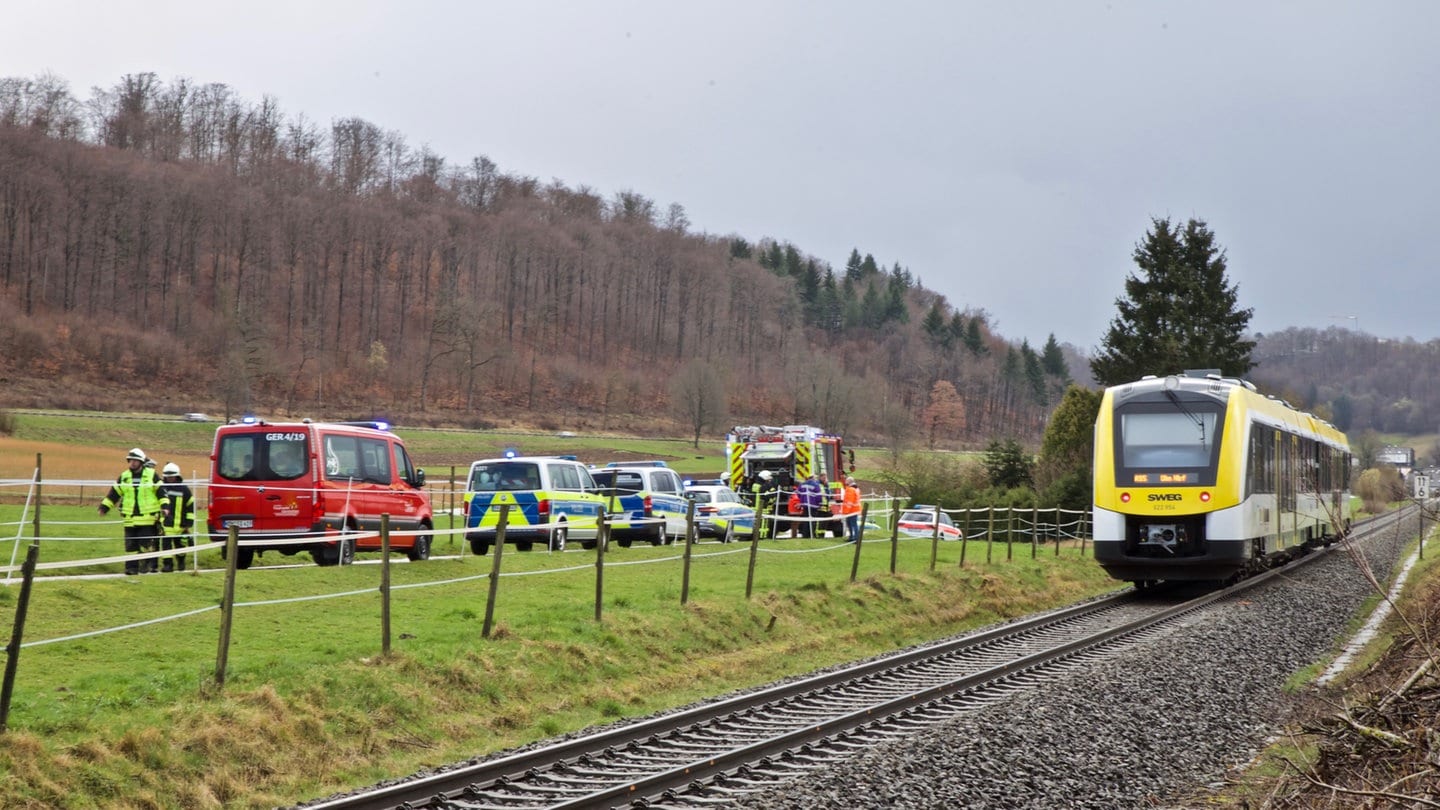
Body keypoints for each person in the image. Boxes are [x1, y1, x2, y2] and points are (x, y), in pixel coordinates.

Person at [98, 447, 164, 575]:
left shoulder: (151, 475)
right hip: (129, 519)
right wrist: (104, 507)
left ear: (141, 462)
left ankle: (145, 566)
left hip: (147, 518)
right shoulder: (124, 477)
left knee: (145, 544)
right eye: (130, 460)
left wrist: (165, 507)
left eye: (135, 460)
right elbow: (114, 493)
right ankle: (131, 568)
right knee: (131, 546)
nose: (132, 463)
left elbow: (161, 492)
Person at [157, 462, 196, 572]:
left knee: (181, 546)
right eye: (167, 476)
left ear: (177, 475)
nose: (169, 478)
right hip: (166, 524)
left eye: (172, 476)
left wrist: (188, 523)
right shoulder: (161, 488)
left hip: (181, 525)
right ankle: (168, 565)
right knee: (166, 546)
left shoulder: (184, 490)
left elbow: (190, 506)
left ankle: (181, 561)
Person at [840, 476, 863, 543]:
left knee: (852, 524)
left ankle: (855, 538)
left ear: (849, 481)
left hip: (851, 510)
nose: (845, 482)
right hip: (855, 509)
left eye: (846, 480)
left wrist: (846, 511)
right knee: (852, 524)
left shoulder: (851, 489)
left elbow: (849, 501)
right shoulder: (856, 488)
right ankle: (853, 537)